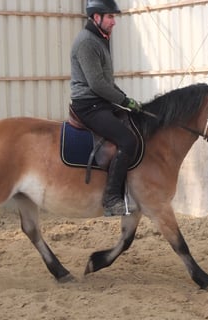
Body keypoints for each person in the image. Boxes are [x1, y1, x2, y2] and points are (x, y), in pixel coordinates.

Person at [70, 0, 142, 217]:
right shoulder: (87, 43)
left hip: (100, 101)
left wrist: (126, 99)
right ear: (96, 17)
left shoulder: (98, 40)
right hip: (88, 105)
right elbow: (97, 84)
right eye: (110, 17)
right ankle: (111, 199)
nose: (114, 22)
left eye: (114, 17)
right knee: (128, 140)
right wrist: (123, 101)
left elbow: (106, 81)